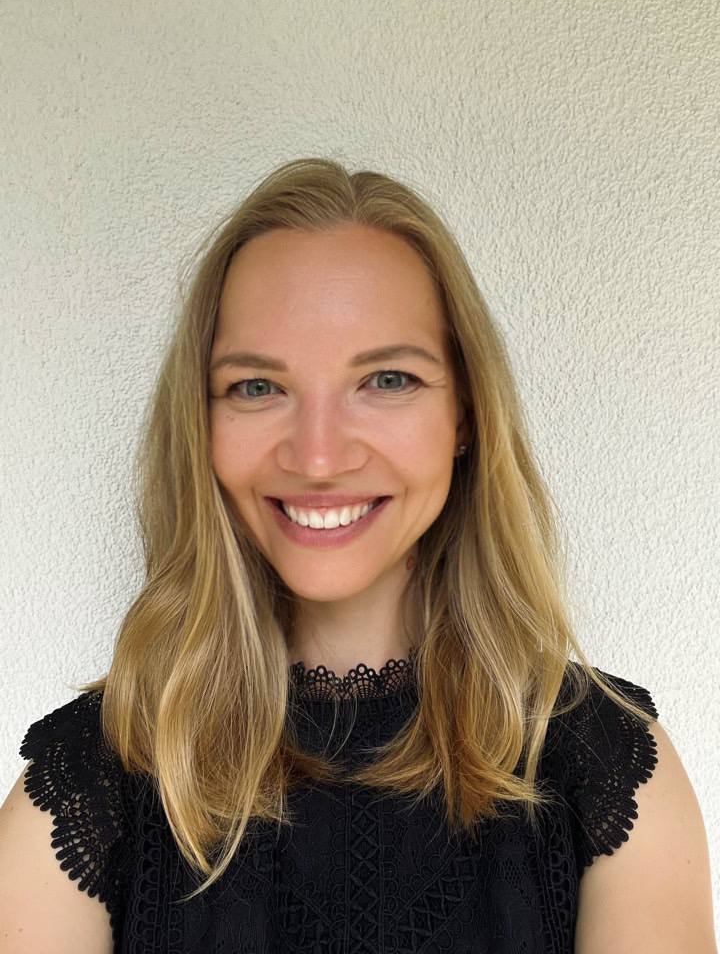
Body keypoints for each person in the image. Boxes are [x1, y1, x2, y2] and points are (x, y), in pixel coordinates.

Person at [0, 157, 715, 954]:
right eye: (256, 388)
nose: (316, 457)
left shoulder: (608, 771)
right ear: (199, 424)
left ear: (466, 415)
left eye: (386, 378)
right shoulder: (82, 790)